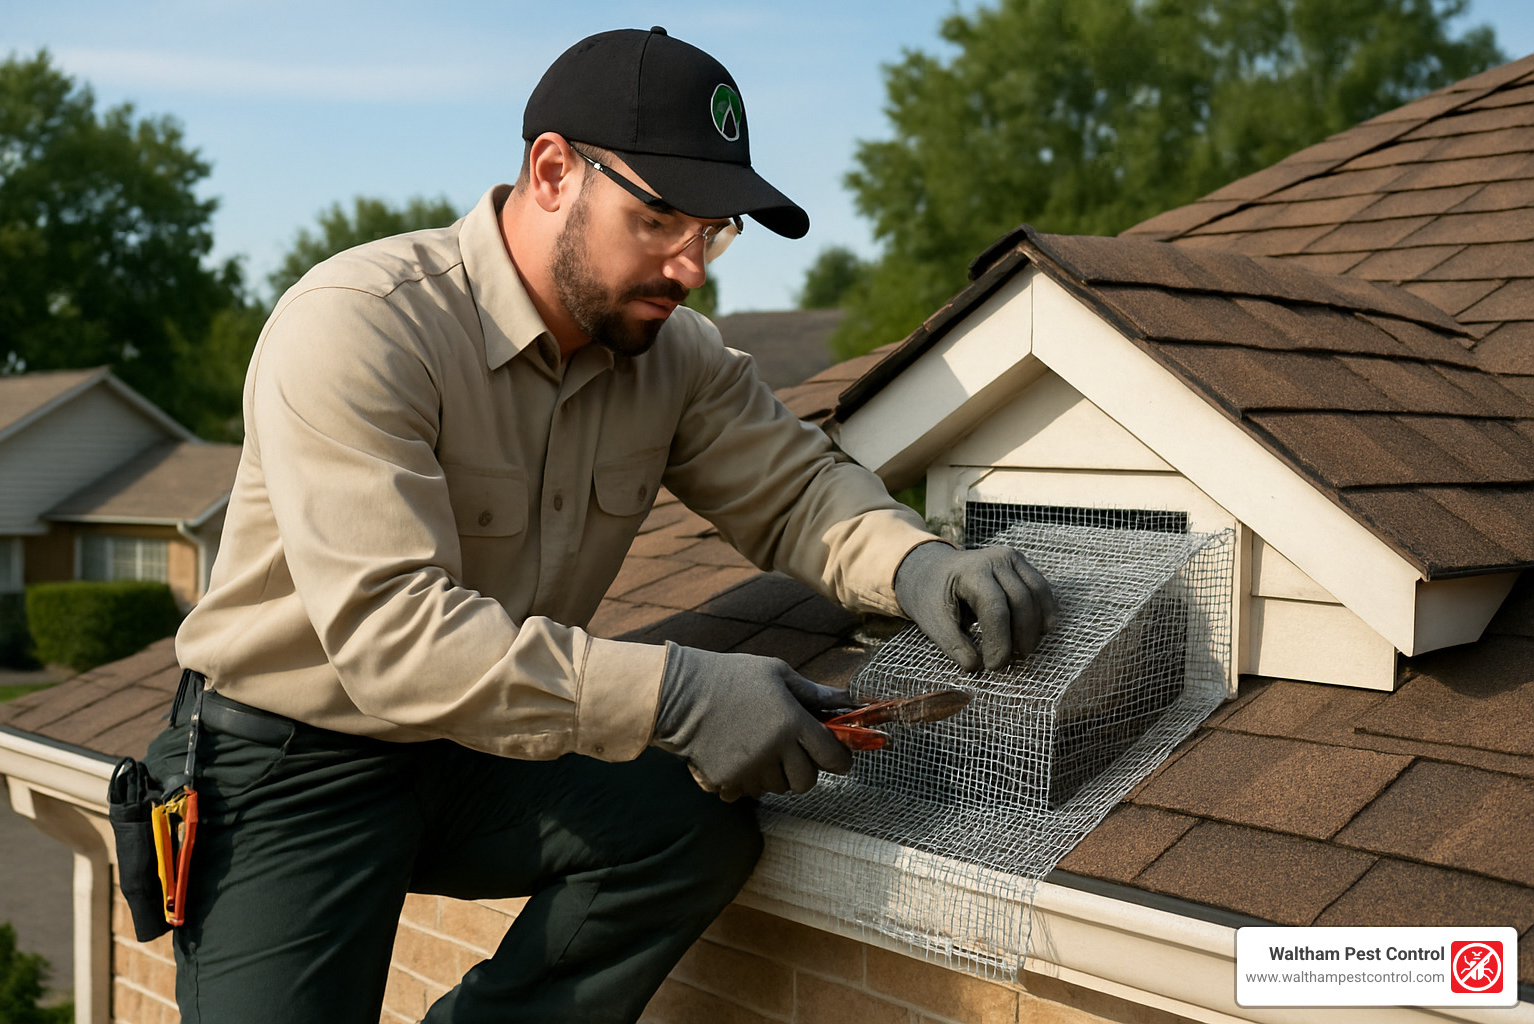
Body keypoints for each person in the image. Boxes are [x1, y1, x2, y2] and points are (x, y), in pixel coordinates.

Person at [144, 26, 1054, 1024]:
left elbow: (795, 491)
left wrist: (918, 564)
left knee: (690, 828)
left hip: (479, 747)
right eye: (660, 218)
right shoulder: (361, 325)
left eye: (712, 232)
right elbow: (392, 639)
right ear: (551, 173)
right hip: (291, 762)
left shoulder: (675, 357)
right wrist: (676, 692)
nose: (691, 265)